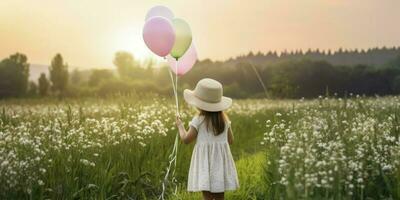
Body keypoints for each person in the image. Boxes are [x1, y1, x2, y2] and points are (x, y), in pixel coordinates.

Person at [175, 78, 239, 200]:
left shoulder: (199, 120)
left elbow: (186, 139)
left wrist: (180, 126)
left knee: (207, 197)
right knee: (220, 196)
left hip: (205, 164)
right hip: (220, 165)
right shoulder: (225, 121)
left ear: (199, 103)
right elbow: (231, 141)